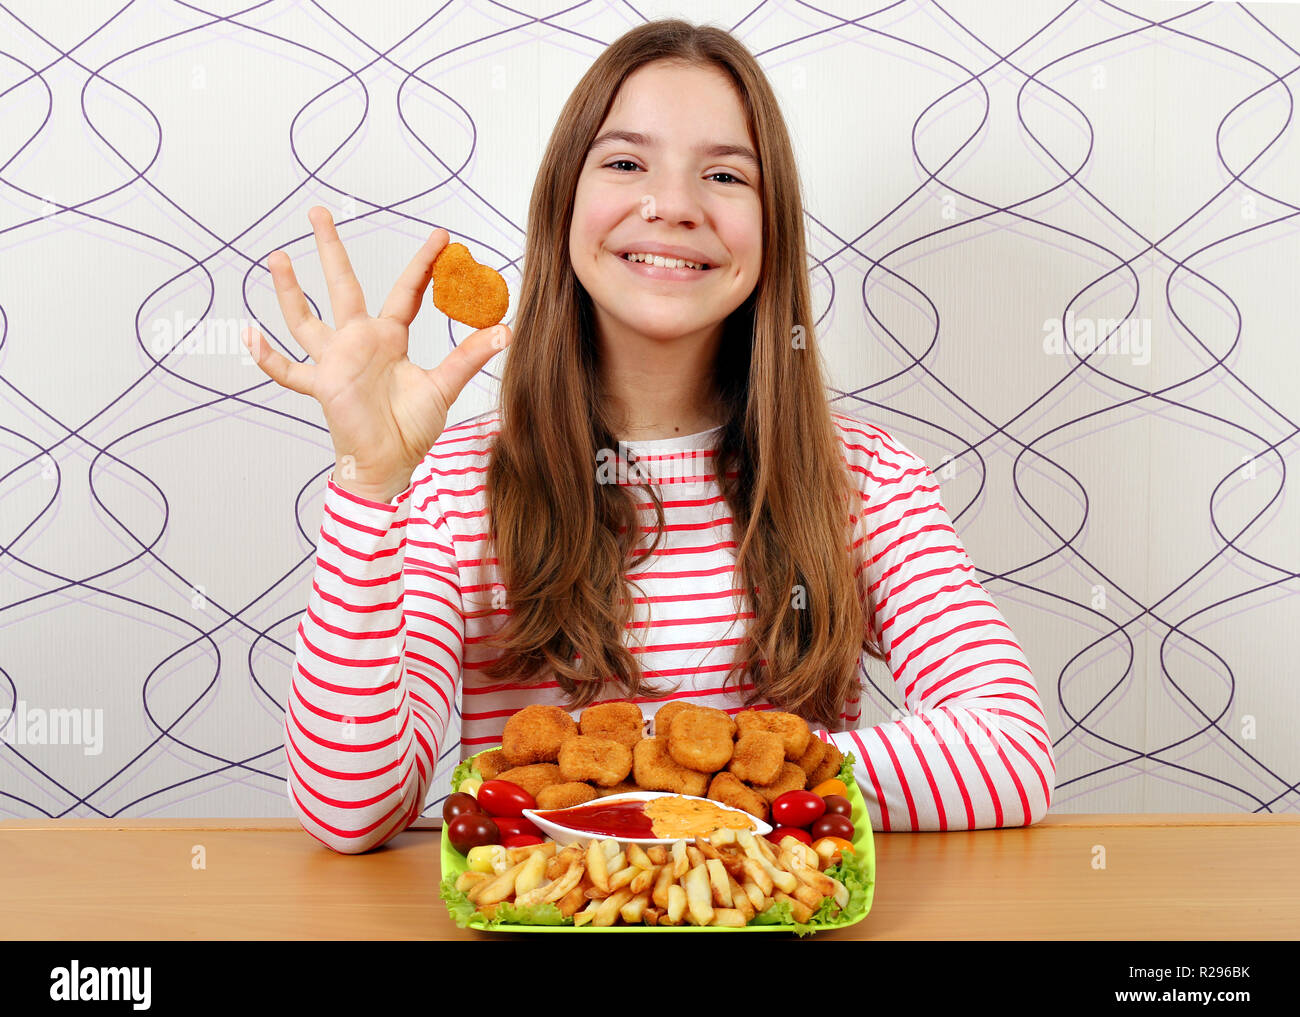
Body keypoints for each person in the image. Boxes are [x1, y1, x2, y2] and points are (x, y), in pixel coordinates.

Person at [244, 19, 1055, 855]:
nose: (671, 204)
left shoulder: (866, 480)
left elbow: (1009, 749)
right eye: (627, 163)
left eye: (724, 174)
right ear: (563, 205)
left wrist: (662, 789)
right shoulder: (450, 485)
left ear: (771, 228)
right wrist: (372, 484)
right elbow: (351, 812)